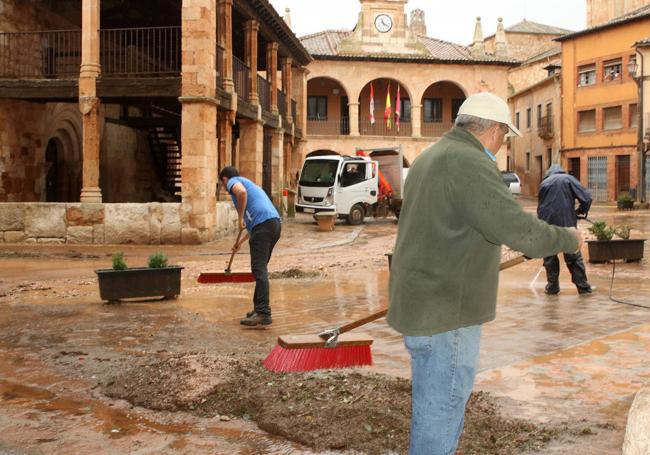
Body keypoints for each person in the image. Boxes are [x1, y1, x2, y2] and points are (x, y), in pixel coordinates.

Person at [387, 92, 583, 455]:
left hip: (423, 307)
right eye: (503, 138)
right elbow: (517, 229)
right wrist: (568, 238)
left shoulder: (431, 157)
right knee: (440, 415)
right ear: (493, 131)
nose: (501, 144)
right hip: (447, 315)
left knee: (433, 409)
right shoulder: (468, 162)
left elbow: (460, 226)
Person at [219, 166, 281, 326]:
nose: (224, 187)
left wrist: (240, 217)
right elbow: (254, 226)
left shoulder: (234, 181)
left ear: (224, 179)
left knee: (259, 270)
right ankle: (258, 308)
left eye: (222, 184)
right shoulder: (249, 184)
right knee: (260, 269)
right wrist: (239, 243)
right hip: (272, 225)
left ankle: (263, 312)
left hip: (264, 227)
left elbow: (242, 193)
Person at [537, 164, 593, 295]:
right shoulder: (568, 179)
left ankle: (552, 287)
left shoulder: (544, 183)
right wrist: (581, 211)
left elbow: (540, 207)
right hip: (567, 224)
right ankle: (583, 288)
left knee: (550, 256)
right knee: (573, 256)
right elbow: (587, 198)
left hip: (547, 225)